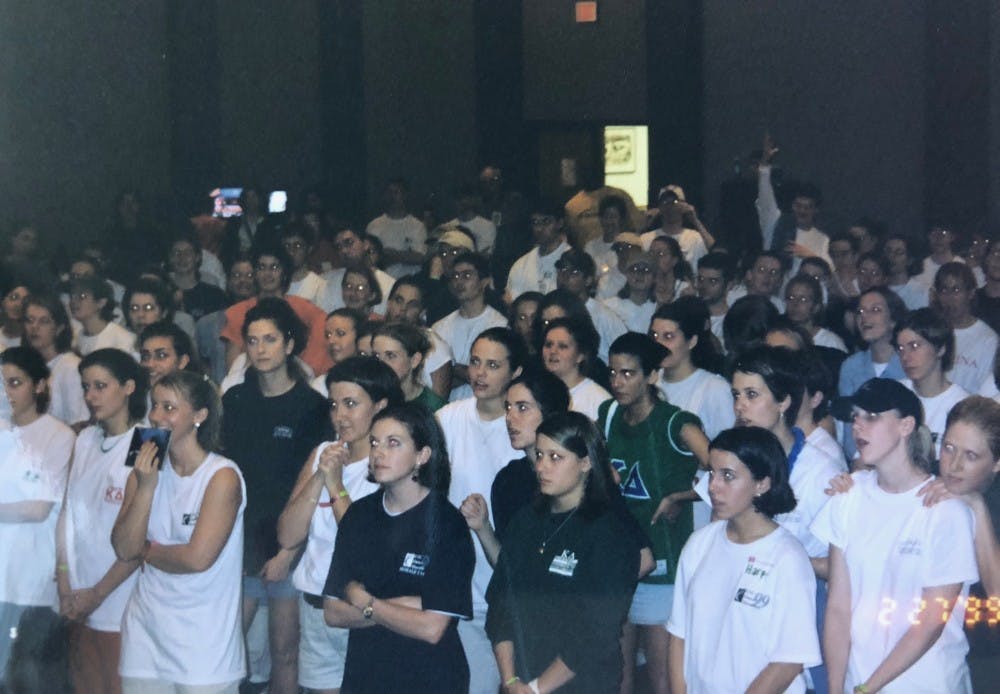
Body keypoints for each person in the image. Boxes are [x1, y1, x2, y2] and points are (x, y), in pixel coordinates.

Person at [814, 378, 978, 693]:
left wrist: (868, 687)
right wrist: (836, 688)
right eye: (855, 417)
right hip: (857, 681)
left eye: (872, 417)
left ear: (906, 425)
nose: (857, 426)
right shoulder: (848, 496)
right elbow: (838, 606)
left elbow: (931, 621)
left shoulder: (945, 510)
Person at [323, 403, 475, 694]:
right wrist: (407, 605)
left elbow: (432, 628)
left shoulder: (447, 523)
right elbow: (333, 613)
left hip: (430, 680)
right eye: (374, 442)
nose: (378, 452)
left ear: (422, 455)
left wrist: (367, 602)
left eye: (393, 443)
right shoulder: (358, 515)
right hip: (365, 677)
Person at [485, 412, 640, 694]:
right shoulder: (525, 521)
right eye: (539, 455)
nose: (541, 466)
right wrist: (510, 680)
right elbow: (500, 605)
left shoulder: (610, 533)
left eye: (555, 457)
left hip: (582, 685)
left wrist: (537, 689)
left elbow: (596, 632)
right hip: (520, 681)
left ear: (585, 462)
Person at [111, 371, 245, 693]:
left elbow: (197, 559)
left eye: (169, 408)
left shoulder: (222, 475)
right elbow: (124, 549)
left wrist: (146, 550)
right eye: (154, 405)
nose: (156, 416)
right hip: (146, 635)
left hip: (204, 642)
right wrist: (146, 488)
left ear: (199, 416)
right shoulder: (144, 466)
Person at [221, 298, 329, 694]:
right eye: (252, 341)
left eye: (270, 339)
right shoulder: (234, 401)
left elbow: (316, 483)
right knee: (225, 646)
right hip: (239, 541)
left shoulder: (312, 407)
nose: (260, 349)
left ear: (289, 344)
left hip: (289, 542)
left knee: (285, 650)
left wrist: (287, 552)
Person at [277, 357, 403, 694]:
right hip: (316, 608)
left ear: (380, 406)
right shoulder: (324, 453)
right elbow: (287, 535)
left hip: (360, 613)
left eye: (351, 404)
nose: (340, 416)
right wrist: (321, 474)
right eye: (334, 405)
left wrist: (335, 485)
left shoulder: (392, 463)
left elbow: (361, 544)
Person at [667, 426, 821, 694]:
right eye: (712, 473)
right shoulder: (699, 544)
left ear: (762, 484)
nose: (713, 486)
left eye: (728, 476)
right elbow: (679, 635)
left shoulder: (787, 558)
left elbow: (788, 661)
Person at [597, 332, 708, 694]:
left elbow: (725, 470)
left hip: (664, 561)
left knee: (662, 678)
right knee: (618, 674)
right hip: (620, 560)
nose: (617, 382)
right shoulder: (608, 414)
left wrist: (682, 496)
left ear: (652, 376)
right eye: (613, 372)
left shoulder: (676, 422)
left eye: (628, 373)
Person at [436, 327, 525, 694]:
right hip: (459, 577)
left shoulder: (524, 427)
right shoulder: (448, 418)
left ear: (515, 371)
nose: (480, 373)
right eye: (475, 362)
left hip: (508, 578)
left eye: (493, 365)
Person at [57, 348, 148, 694]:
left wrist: (97, 594)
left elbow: (141, 536)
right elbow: (67, 514)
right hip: (76, 598)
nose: (90, 396)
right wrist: (64, 582)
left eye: (100, 386)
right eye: (85, 387)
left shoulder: (146, 441)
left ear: (128, 387)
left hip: (120, 601)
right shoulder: (85, 438)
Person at [0, 347, 75, 675]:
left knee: (28, 676)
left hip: (32, 581)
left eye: (15, 383)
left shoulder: (57, 435)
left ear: (39, 386)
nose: (6, 392)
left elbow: (38, 509)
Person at [839, 287, 908, 459]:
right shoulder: (851, 366)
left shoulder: (907, 364)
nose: (864, 317)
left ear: (893, 320)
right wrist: (858, 459)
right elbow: (848, 425)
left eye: (875, 310)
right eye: (860, 311)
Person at [431, 253, 508, 401]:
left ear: (484, 282)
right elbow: (432, 377)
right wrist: (460, 373)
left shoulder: (499, 325)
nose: (459, 282)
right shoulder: (439, 327)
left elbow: (492, 375)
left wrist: (451, 372)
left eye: (467, 276)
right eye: (455, 276)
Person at [895, 308, 970, 451]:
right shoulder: (893, 395)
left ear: (940, 349)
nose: (905, 357)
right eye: (900, 349)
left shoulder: (962, 406)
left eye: (914, 346)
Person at [22, 293, 89, 426]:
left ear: (59, 328)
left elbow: (80, 423)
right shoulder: (24, 365)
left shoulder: (71, 367)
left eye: (44, 321)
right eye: (30, 320)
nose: (34, 327)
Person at [383, 275, 453, 400]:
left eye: (412, 305)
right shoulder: (377, 338)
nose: (403, 309)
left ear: (422, 312)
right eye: (398, 300)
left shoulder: (435, 346)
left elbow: (439, 402)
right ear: (389, 303)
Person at [932, 262, 998, 394]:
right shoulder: (931, 332)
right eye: (944, 290)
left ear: (971, 293)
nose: (949, 298)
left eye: (956, 290)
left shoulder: (988, 340)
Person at [541, 316, 610, 421]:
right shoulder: (537, 391)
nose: (553, 351)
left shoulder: (599, 401)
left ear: (580, 355)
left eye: (562, 346)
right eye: (548, 345)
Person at [506, 200, 572, 301]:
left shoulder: (572, 260)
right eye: (535, 223)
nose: (539, 228)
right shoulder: (521, 265)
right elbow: (512, 302)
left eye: (546, 222)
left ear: (560, 223)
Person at [372, 322, 447, 411]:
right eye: (376, 356)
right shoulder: (369, 398)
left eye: (391, 355)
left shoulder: (436, 408)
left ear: (414, 360)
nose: (381, 363)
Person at [69, 275, 136, 357]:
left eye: (82, 296)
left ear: (101, 302)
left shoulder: (122, 338)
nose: (73, 301)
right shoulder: (74, 336)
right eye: (72, 296)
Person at [784, 274, 847, 351]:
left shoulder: (831, 342)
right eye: (791, 298)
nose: (795, 304)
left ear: (816, 307)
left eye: (803, 299)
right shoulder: (778, 337)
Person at [309, 307, 364, 396]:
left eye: (340, 333)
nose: (331, 341)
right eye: (328, 335)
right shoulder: (321, 385)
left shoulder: (374, 380)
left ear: (360, 337)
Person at [603, 251, 658, 332]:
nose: (640, 274)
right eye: (635, 269)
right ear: (627, 274)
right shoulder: (609, 307)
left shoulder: (658, 308)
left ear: (654, 277)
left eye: (646, 270)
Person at [137, 320, 200, 389]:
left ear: (182, 362)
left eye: (161, 356)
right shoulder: (134, 393)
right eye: (145, 357)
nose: (150, 364)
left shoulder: (198, 394)